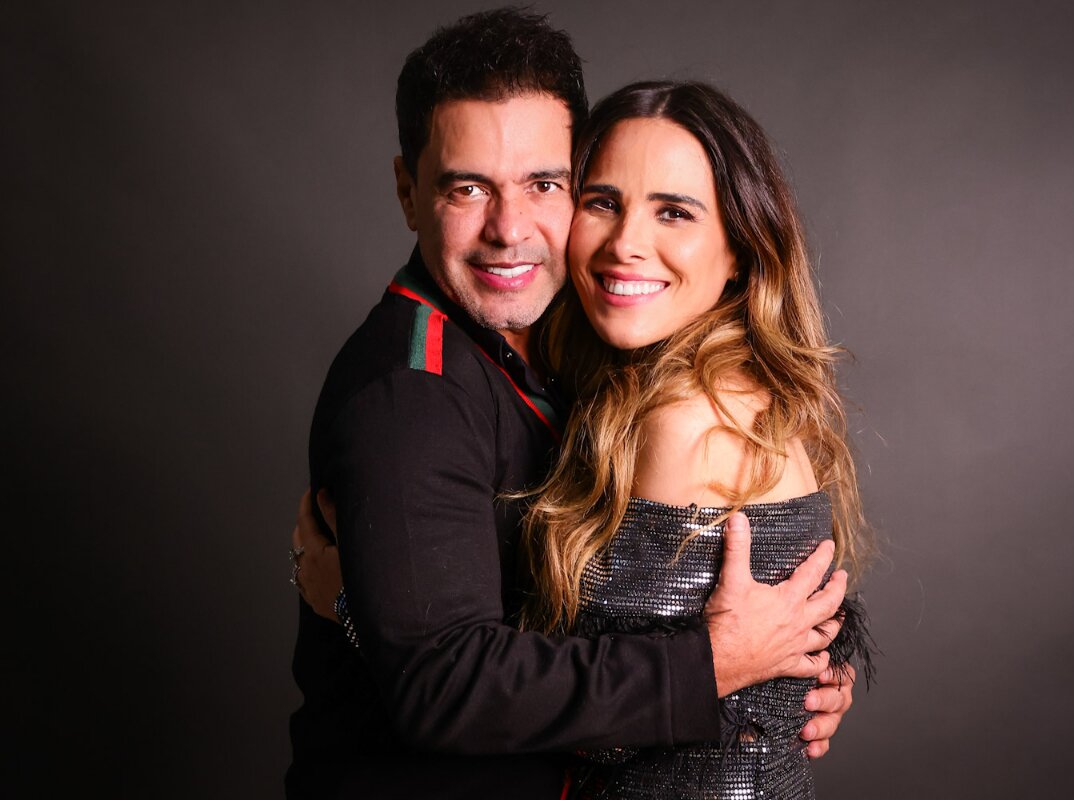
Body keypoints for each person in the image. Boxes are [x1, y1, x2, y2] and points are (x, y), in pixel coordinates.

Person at [287, 9, 854, 800]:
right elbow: (447, 685)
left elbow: (714, 603)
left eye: (545, 185)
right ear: (408, 193)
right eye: (467, 188)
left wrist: (796, 677)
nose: (509, 229)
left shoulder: (596, 352)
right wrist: (723, 669)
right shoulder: (408, 396)